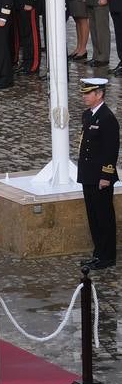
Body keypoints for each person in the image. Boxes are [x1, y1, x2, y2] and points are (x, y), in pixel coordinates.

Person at [78, 77, 118, 270]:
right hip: (88, 174)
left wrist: (106, 176)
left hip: (100, 177)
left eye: (88, 93)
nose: (84, 96)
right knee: (93, 216)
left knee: (104, 217)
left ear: (99, 94)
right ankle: (98, 253)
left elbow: (111, 150)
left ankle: (108, 256)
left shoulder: (108, 118)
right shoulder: (88, 115)